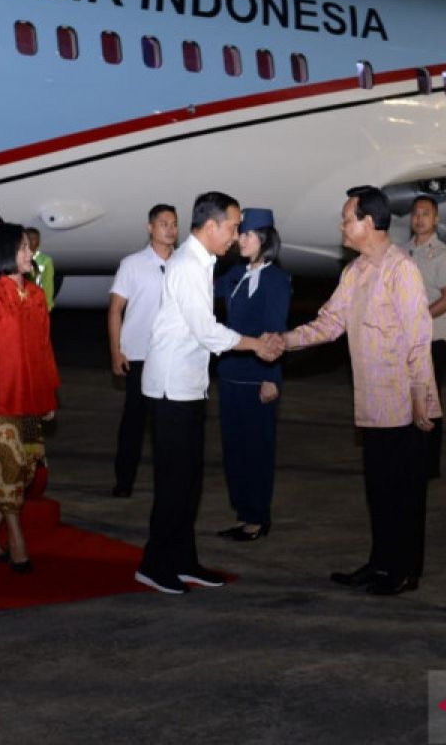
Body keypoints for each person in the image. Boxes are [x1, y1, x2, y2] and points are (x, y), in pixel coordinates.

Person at [282, 186, 439, 596]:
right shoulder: (355, 272)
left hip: (406, 403)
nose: (342, 225)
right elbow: (328, 324)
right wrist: (282, 341)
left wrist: (421, 397)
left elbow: (419, 337)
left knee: (405, 492)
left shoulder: (400, 269)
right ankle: (381, 562)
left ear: (369, 222)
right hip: (373, 403)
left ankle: (405, 571)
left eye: (347, 218)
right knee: (379, 489)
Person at [135, 191, 282, 595]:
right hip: (170, 389)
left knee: (189, 482)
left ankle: (182, 560)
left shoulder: (203, 264)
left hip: (187, 386)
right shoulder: (186, 266)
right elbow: (207, 331)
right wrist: (256, 344)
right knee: (173, 483)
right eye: (233, 226)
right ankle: (154, 564)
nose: (236, 236)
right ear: (212, 225)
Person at [0, 223, 60, 574]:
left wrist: (49, 395)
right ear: (5, 252)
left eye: (28, 247)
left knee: (27, 468)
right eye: (21, 247)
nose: (28, 253)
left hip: (31, 398)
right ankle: (16, 539)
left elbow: (44, 349)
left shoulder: (35, 297)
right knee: (11, 465)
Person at [215, 207, 292, 541]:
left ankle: (258, 517)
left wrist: (271, 377)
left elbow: (276, 330)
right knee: (233, 450)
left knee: (257, 450)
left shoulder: (277, 280)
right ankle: (243, 513)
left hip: (257, 375)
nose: (239, 240)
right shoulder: (233, 274)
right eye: (239, 233)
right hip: (230, 373)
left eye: (245, 234)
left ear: (263, 239)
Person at [107, 204, 178, 498]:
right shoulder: (132, 264)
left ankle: (169, 483)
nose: (170, 229)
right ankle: (124, 481)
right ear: (150, 228)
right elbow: (115, 310)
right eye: (163, 223)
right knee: (134, 423)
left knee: (170, 425)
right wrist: (116, 352)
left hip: (173, 356)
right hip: (138, 356)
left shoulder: (184, 264)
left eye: (174, 223)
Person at [405, 195, 446, 479]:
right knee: (404, 402)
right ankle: (408, 457)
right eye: (415, 213)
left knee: (428, 402)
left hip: (430, 341)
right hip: (403, 342)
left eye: (425, 214)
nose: (419, 218)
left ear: (436, 219)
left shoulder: (443, 255)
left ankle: (428, 465)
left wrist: (419, 319)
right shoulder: (401, 253)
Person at [24, 227, 55, 311]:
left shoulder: (45, 261)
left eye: (34, 239)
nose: (32, 242)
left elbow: (48, 285)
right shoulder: (17, 259)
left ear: (38, 242)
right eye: (29, 238)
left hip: (38, 305)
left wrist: (48, 306)